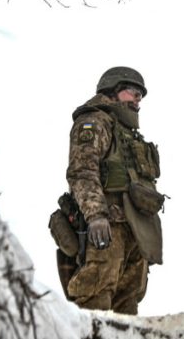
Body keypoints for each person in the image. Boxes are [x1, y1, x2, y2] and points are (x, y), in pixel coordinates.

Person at [63, 66, 165, 314]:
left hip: (135, 228)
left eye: (140, 95)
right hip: (108, 226)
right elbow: (82, 172)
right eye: (133, 92)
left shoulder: (129, 134)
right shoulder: (94, 122)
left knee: (128, 303)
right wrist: (96, 215)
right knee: (96, 296)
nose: (138, 99)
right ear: (113, 90)